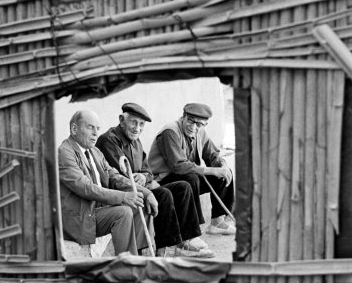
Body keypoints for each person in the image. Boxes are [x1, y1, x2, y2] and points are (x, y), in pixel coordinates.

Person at [96, 103, 214, 258]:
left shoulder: (135, 141)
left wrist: (144, 176)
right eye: (133, 122)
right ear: (121, 120)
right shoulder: (109, 141)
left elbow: (148, 171)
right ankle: (161, 252)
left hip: (142, 187)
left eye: (141, 124)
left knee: (183, 187)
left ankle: (185, 242)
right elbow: (117, 179)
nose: (137, 128)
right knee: (164, 195)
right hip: (123, 194)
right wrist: (143, 183)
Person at [58, 109, 158, 255]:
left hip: (98, 211)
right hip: (80, 217)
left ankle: (142, 256)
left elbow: (115, 177)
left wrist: (146, 193)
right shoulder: (65, 152)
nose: (95, 133)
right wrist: (124, 197)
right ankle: (128, 267)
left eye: (97, 128)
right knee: (123, 212)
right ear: (74, 129)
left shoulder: (95, 152)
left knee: (142, 205)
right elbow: (87, 188)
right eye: (90, 127)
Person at [148, 103, 236, 235]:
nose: (193, 127)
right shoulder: (170, 132)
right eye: (190, 121)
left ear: (204, 125)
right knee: (192, 177)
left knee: (223, 174)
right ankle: (192, 231)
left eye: (199, 124)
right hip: (162, 181)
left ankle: (218, 222)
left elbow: (212, 155)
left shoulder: (201, 132)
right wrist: (211, 170)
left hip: (187, 178)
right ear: (183, 117)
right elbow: (178, 166)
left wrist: (222, 165)